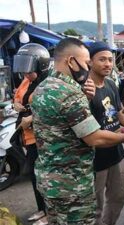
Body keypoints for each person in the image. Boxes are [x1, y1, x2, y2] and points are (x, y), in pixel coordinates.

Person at [30, 37, 124, 225]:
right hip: (72, 181)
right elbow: (93, 138)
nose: (88, 67)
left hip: (51, 179)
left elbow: (112, 113)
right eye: (88, 62)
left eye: (110, 60)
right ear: (71, 61)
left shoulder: (43, 87)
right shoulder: (71, 92)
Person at [87, 42, 124, 225]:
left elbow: (117, 114)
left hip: (117, 154)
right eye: (102, 59)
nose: (107, 64)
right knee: (95, 206)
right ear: (90, 62)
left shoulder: (111, 84)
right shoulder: (85, 90)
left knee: (118, 197)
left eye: (110, 60)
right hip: (95, 159)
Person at [12, 43, 50, 225]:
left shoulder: (49, 84)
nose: (25, 75)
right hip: (27, 136)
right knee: (35, 176)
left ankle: (50, 213)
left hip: (42, 138)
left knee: (46, 176)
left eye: (29, 71)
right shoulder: (27, 80)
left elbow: (53, 110)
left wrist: (33, 118)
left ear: (41, 66)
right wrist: (16, 105)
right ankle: (42, 209)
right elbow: (18, 97)